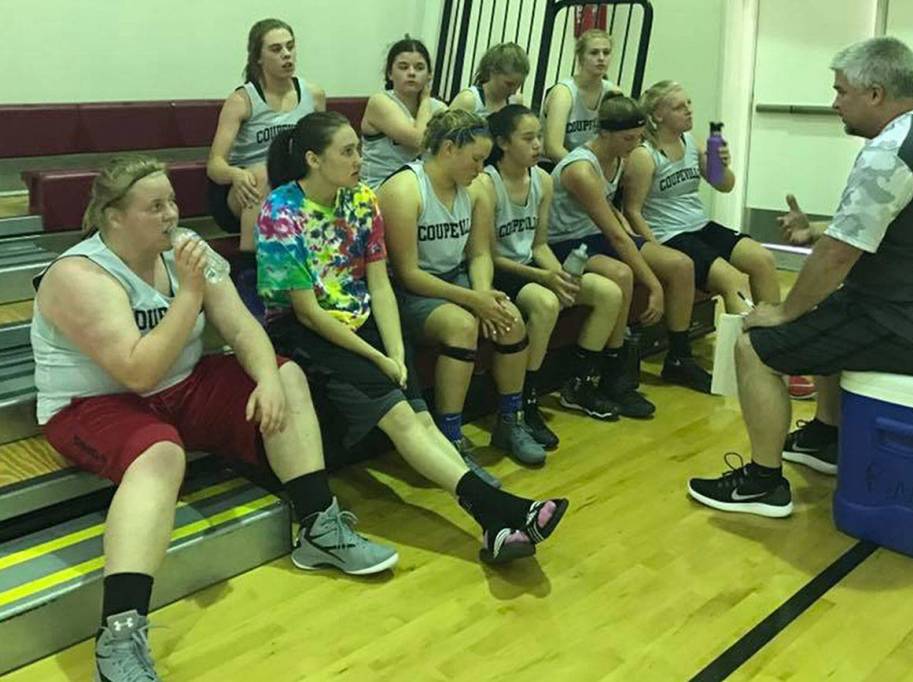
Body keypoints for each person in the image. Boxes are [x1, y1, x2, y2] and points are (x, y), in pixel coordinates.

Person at [31, 156, 394, 682]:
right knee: (160, 453)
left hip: (180, 387)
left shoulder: (185, 251)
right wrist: (191, 293)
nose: (171, 215)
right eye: (154, 206)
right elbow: (138, 370)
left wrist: (266, 380)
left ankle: (319, 527)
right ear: (114, 217)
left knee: (287, 376)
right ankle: (119, 634)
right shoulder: (78, 274)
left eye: (172, 202)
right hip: (93, 404)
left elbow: (243, 329)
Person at [687, 37, 913, 518]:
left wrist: (784, 311)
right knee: (830, 310)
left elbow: (836, 256)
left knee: (756, 347)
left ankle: (763, 484)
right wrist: (816, 230)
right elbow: (881, 226)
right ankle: (826, 437)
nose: (835, 103)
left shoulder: (889, 151)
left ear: (875, 94)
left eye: (841, 91)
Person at [257, 111, 568, 571]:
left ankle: (495, 524)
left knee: (421, 418)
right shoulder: (281, 212)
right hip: (308, 332)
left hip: (362, 320)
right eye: (348, 151)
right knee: (405, 419)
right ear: (313, 159)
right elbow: (307, 311)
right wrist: (379, 358)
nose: (359, 159)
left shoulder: (361, 199)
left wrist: (397, 349)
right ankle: (503, 510)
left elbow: (379, 284)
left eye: (359, 149)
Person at [378, 109, 547, 479]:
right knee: (461, 327)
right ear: (449, 149)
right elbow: (408, 274)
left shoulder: (475, 189)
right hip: (410, 291)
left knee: (510, 320)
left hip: (455, 279)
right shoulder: (404, 190)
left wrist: (485, 295)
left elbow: (480, 253)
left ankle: (510, 420)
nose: (481, 168)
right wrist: (473, 301)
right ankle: (449, 438)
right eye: (476, 159)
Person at [622, 81, 814, 401]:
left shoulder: (691, 141)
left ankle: (777, 347)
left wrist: (721, 165)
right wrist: (654, 248)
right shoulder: (645, 155)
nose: (689, 111)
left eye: (689, 103)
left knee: (763, 259)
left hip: (699, 224)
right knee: (733, 280)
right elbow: (632, 210)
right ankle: (747, 363)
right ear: (657, 115)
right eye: (679, 107)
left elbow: (724, 185)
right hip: (670, 233)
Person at [548, 93, 714, 397]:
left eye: (639, 137)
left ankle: (679, 357)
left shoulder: (621, 157)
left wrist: (630, 228)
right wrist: (653, 285)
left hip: (597, 234)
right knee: (622, 274)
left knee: (681, 265)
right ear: (604, 133)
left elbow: (612, 213)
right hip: (566, 241)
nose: (636, 144)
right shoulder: (581, 169)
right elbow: (616, 236)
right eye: (628, 138)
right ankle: (612, 372)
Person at [480, 104, 627, 444]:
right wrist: (545, 279)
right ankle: (525, 400)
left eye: (539, 137)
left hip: (530, 264)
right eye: (528, 138)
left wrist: (561, 275)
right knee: (546, 303)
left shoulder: (543, 180)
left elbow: (540, 245)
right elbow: (487, 256)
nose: (537, 145)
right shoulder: (487, 184)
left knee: (609, 293)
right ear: (503, 143)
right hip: (500, 270)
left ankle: (578, 384)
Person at [207, 18, 326, 252]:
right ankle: (250, 261)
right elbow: (214, 165)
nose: (286, 54)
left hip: (294, 183)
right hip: (244, 192)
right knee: (262, 173)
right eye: (276, 49)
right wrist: (235, 175)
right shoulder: (242, 100)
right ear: (258, 58)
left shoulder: (314, 95)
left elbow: (324, 147)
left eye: (290, 46)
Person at [360, 36, 447, 189]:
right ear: (390, 73)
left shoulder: (438, 107)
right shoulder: (380, 102)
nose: (411, 73)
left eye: (419, 68)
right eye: (403, 67)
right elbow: (419, 140)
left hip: (422, 187)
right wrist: (425, 100)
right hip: (379, 187)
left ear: (429, 75)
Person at [541, 29, 621, 164]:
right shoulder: (564, 93)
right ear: (580, 57)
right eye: (594, 53)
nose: (601, 58)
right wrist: (585, 169)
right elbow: (553, 148)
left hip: (593, 164)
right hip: (556, 165)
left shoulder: (614, 92)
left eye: (606, 52)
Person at [449, 42, 529, 118]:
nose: (513, 91)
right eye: (509, 84)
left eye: (519, 85)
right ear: (492, 72)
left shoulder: (515, 101)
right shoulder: (468, 100)